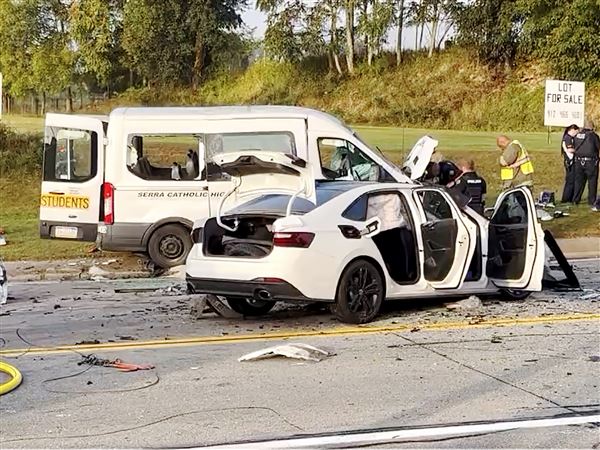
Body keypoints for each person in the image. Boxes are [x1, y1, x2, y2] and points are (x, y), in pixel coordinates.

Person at [571, 119, 600, 206]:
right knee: (592, 182)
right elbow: (598, 147)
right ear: (591, 127)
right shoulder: (593, 136)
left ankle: (576, 199)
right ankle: (591, 201)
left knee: (578, 182)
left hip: (578, 161)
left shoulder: (577, 135)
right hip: (590, 162)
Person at [561, 124, 579, 203]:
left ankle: (569, 197)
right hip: (570, 162)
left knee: (571, 180)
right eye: (577, 131)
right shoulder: (568, 138)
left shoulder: (569, 137)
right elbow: (570, 150)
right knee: (570, 181)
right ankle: (566, 198)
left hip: (570, 162)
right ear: (572, 130)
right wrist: (579, 150)